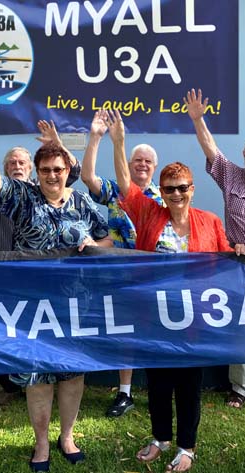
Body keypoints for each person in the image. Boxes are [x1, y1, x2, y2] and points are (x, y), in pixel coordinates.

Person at [0, 109, 111, 472]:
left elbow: (106, 239)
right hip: (33, 306)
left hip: (75, 304)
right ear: (37, 171)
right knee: (37, 376)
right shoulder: (24, 197)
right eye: (45, 170)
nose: (51, 175)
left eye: (58, 169)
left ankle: (68, 436)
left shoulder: (82, 202)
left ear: (66, 170)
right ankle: (42, 442)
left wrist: (94, 245)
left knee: (72, 373)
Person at [104, 110, 231, 473]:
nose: (176, 194)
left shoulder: (210, 222)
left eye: (182, 188)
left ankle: (187, 446)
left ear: (192, 189)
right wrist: (118, 142)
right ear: (161, 192)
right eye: (170, 189)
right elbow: (125, 184)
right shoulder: (149, 214)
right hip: (153, 316)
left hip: (193, 318)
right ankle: (160, 438)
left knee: (188, 385)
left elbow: (226, 261)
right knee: (158, 382)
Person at [0, 118, 81, 406]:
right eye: (11, 163)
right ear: (4, 169)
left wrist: (56, 143)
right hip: (6, 276)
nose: (16, 166)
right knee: (7, 330)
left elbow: (73, 170)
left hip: (43, 278)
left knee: (45, 329)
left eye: (21, 162)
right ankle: (11, 385)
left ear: (31, 168)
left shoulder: (46, 189)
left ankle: (50, 380)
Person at [185, 88, 245, 408]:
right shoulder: (231, 177)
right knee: (243, 325)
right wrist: (198, 120)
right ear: (244, 156)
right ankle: (241, 388)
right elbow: (211, 149)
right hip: (239, 260)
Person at [81, 109, 164, 418]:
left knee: (157, 330)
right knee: (124, 332)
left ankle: (160, 388)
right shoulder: (115, 191)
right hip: (118, 273)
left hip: (152, 274)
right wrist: (95, 137)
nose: (142, 164)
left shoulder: (164, 198)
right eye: (137, 160)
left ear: (154, 167)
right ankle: (125, 392)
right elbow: (88, 177)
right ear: (128, 165)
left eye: (147, 161)